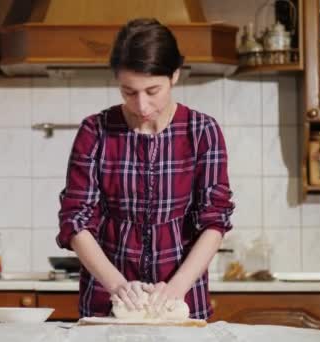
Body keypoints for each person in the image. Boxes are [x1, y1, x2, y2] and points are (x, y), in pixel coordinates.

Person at [56, 18, 235, 319]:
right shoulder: (95, 131)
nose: (141, 105)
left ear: (174, 75)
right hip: (107, 302)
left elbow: (215, 220)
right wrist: (118, 287)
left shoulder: (202, 131)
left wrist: (176, 287)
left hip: (181, 301)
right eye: (128, 91)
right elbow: (76, 219)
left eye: (152, 90)